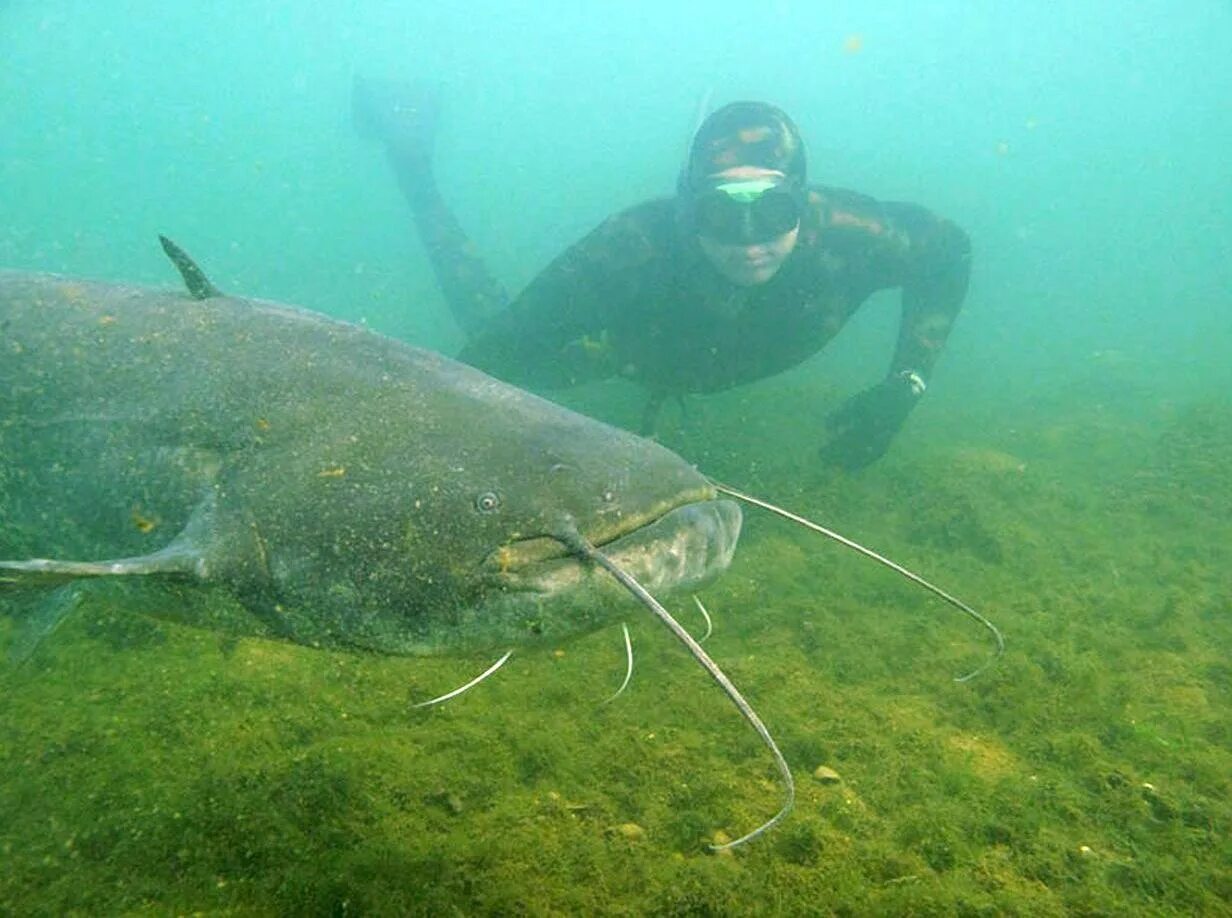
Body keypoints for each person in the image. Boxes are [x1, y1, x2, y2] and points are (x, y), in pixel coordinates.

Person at [353, 81, 971, 470]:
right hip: (627, 352)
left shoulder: (853, 234)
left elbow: (949, 252)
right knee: (491, 331)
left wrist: (907, 382)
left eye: (774, 211)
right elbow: (492, 356)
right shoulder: (630, 251)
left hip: (699, 355)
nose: (749, 242)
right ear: (686, 209)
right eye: (720, 214)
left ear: (802, 202)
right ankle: (413, 163)